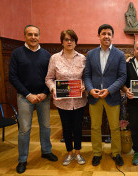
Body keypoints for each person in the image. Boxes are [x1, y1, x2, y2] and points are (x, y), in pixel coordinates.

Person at [9, 25, 58, 174]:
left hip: (43, 97)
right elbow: (13, 77)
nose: (33, 37)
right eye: (30, 34)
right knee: (24, 130)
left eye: (36, 35)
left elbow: (51, 76)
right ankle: (22, 159)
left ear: (39, 36)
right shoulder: (17, 53)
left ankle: (46, 151)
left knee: (46, 126)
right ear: (24, 36)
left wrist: (44, 93)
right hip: (24, 97)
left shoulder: (46, 55)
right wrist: (28, 94)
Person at [83, 24, 126, 166]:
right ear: (99, 36)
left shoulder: (119, 55)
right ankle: (97, 153)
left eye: (109, 34)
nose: (106, 36)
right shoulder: (90, 54)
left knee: (114, 127)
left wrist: (109, 90)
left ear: (112, 36)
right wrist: (90, 90)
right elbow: (87, 75)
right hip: (94, 97)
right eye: (103, 33)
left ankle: (116, 153)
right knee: (95, 127)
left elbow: (122, 77)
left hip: (112, 96)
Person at [45, 29, 87, 166]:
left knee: (78, 128)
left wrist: (84, 85)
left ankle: (78, 153)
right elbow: (49, 78)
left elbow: (87, 77)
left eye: (72, 40)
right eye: (66, 39)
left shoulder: (82, 58)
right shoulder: (54, 58)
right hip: (62, 102)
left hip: (79, 101)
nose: (69, 42)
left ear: (76, 42)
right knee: (66, 128)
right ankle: (69, 153)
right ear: (62, 42)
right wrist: (53, 88)